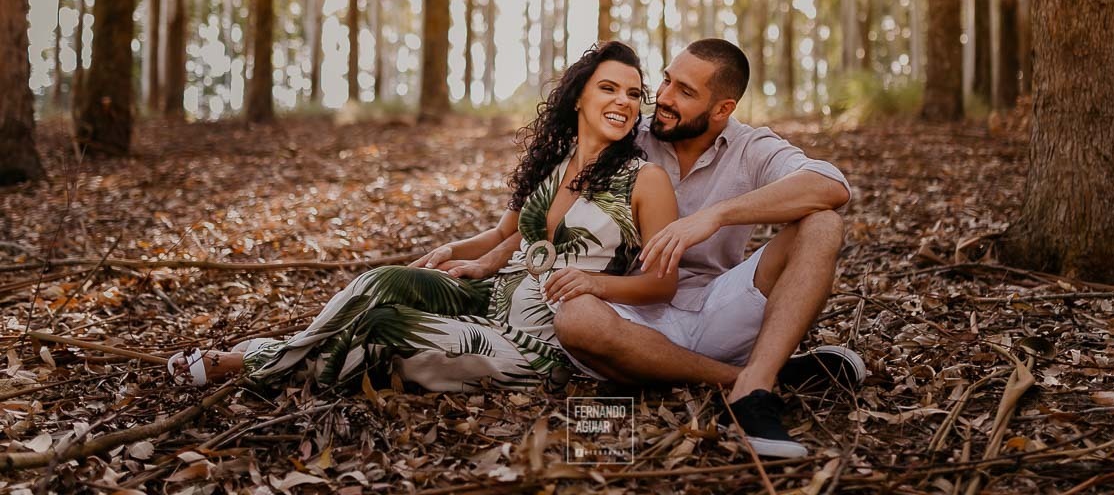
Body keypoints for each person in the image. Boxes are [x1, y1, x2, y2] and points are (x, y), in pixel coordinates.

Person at [167, 41, 679, 392]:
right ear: (580, 97)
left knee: (387, 328)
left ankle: (250, 362)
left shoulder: (644, 180)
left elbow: (662, 284)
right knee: (383, 281)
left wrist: (595, 287)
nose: (624, 102)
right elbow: (508, 234)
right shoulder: (555, 163)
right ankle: (273, 358)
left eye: (634, 93)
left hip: (538, 340)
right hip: (492, 295)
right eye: (609, 88)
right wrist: (458, 255)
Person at [457, 39, 860, 459]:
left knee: (823, 223)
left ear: (722, 109)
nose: (664, 98)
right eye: (667, 81)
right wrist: (486, 258)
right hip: (630, 314)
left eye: (685, 92)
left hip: (715, 305)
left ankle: (753, 388)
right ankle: (754, 379)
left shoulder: (751, 148)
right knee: (575, 317)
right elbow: (553, 208)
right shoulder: (633, 133)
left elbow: (830, 185)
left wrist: (716, 215)